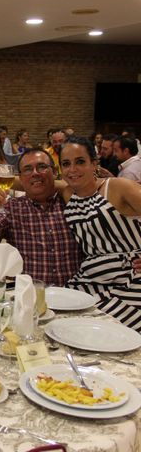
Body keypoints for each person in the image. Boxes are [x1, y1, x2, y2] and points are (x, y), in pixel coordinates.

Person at [59, 136, 141, 331]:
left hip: (129, 278)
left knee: (116, 337)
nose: (72, 170)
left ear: (94, 163)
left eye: (80, 162)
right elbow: (39, 182)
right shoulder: (69, 193)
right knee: (64, 325)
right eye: (66, 164)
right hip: (90, 279)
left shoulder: (118, 187)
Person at [0, 148, 82, 285]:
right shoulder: (13, 208)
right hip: (30, 295)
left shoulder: (73, 203)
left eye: (42, 167)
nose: (35, 173)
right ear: (20, 178)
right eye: (27, 169)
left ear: (55, 172)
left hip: (75, 294)